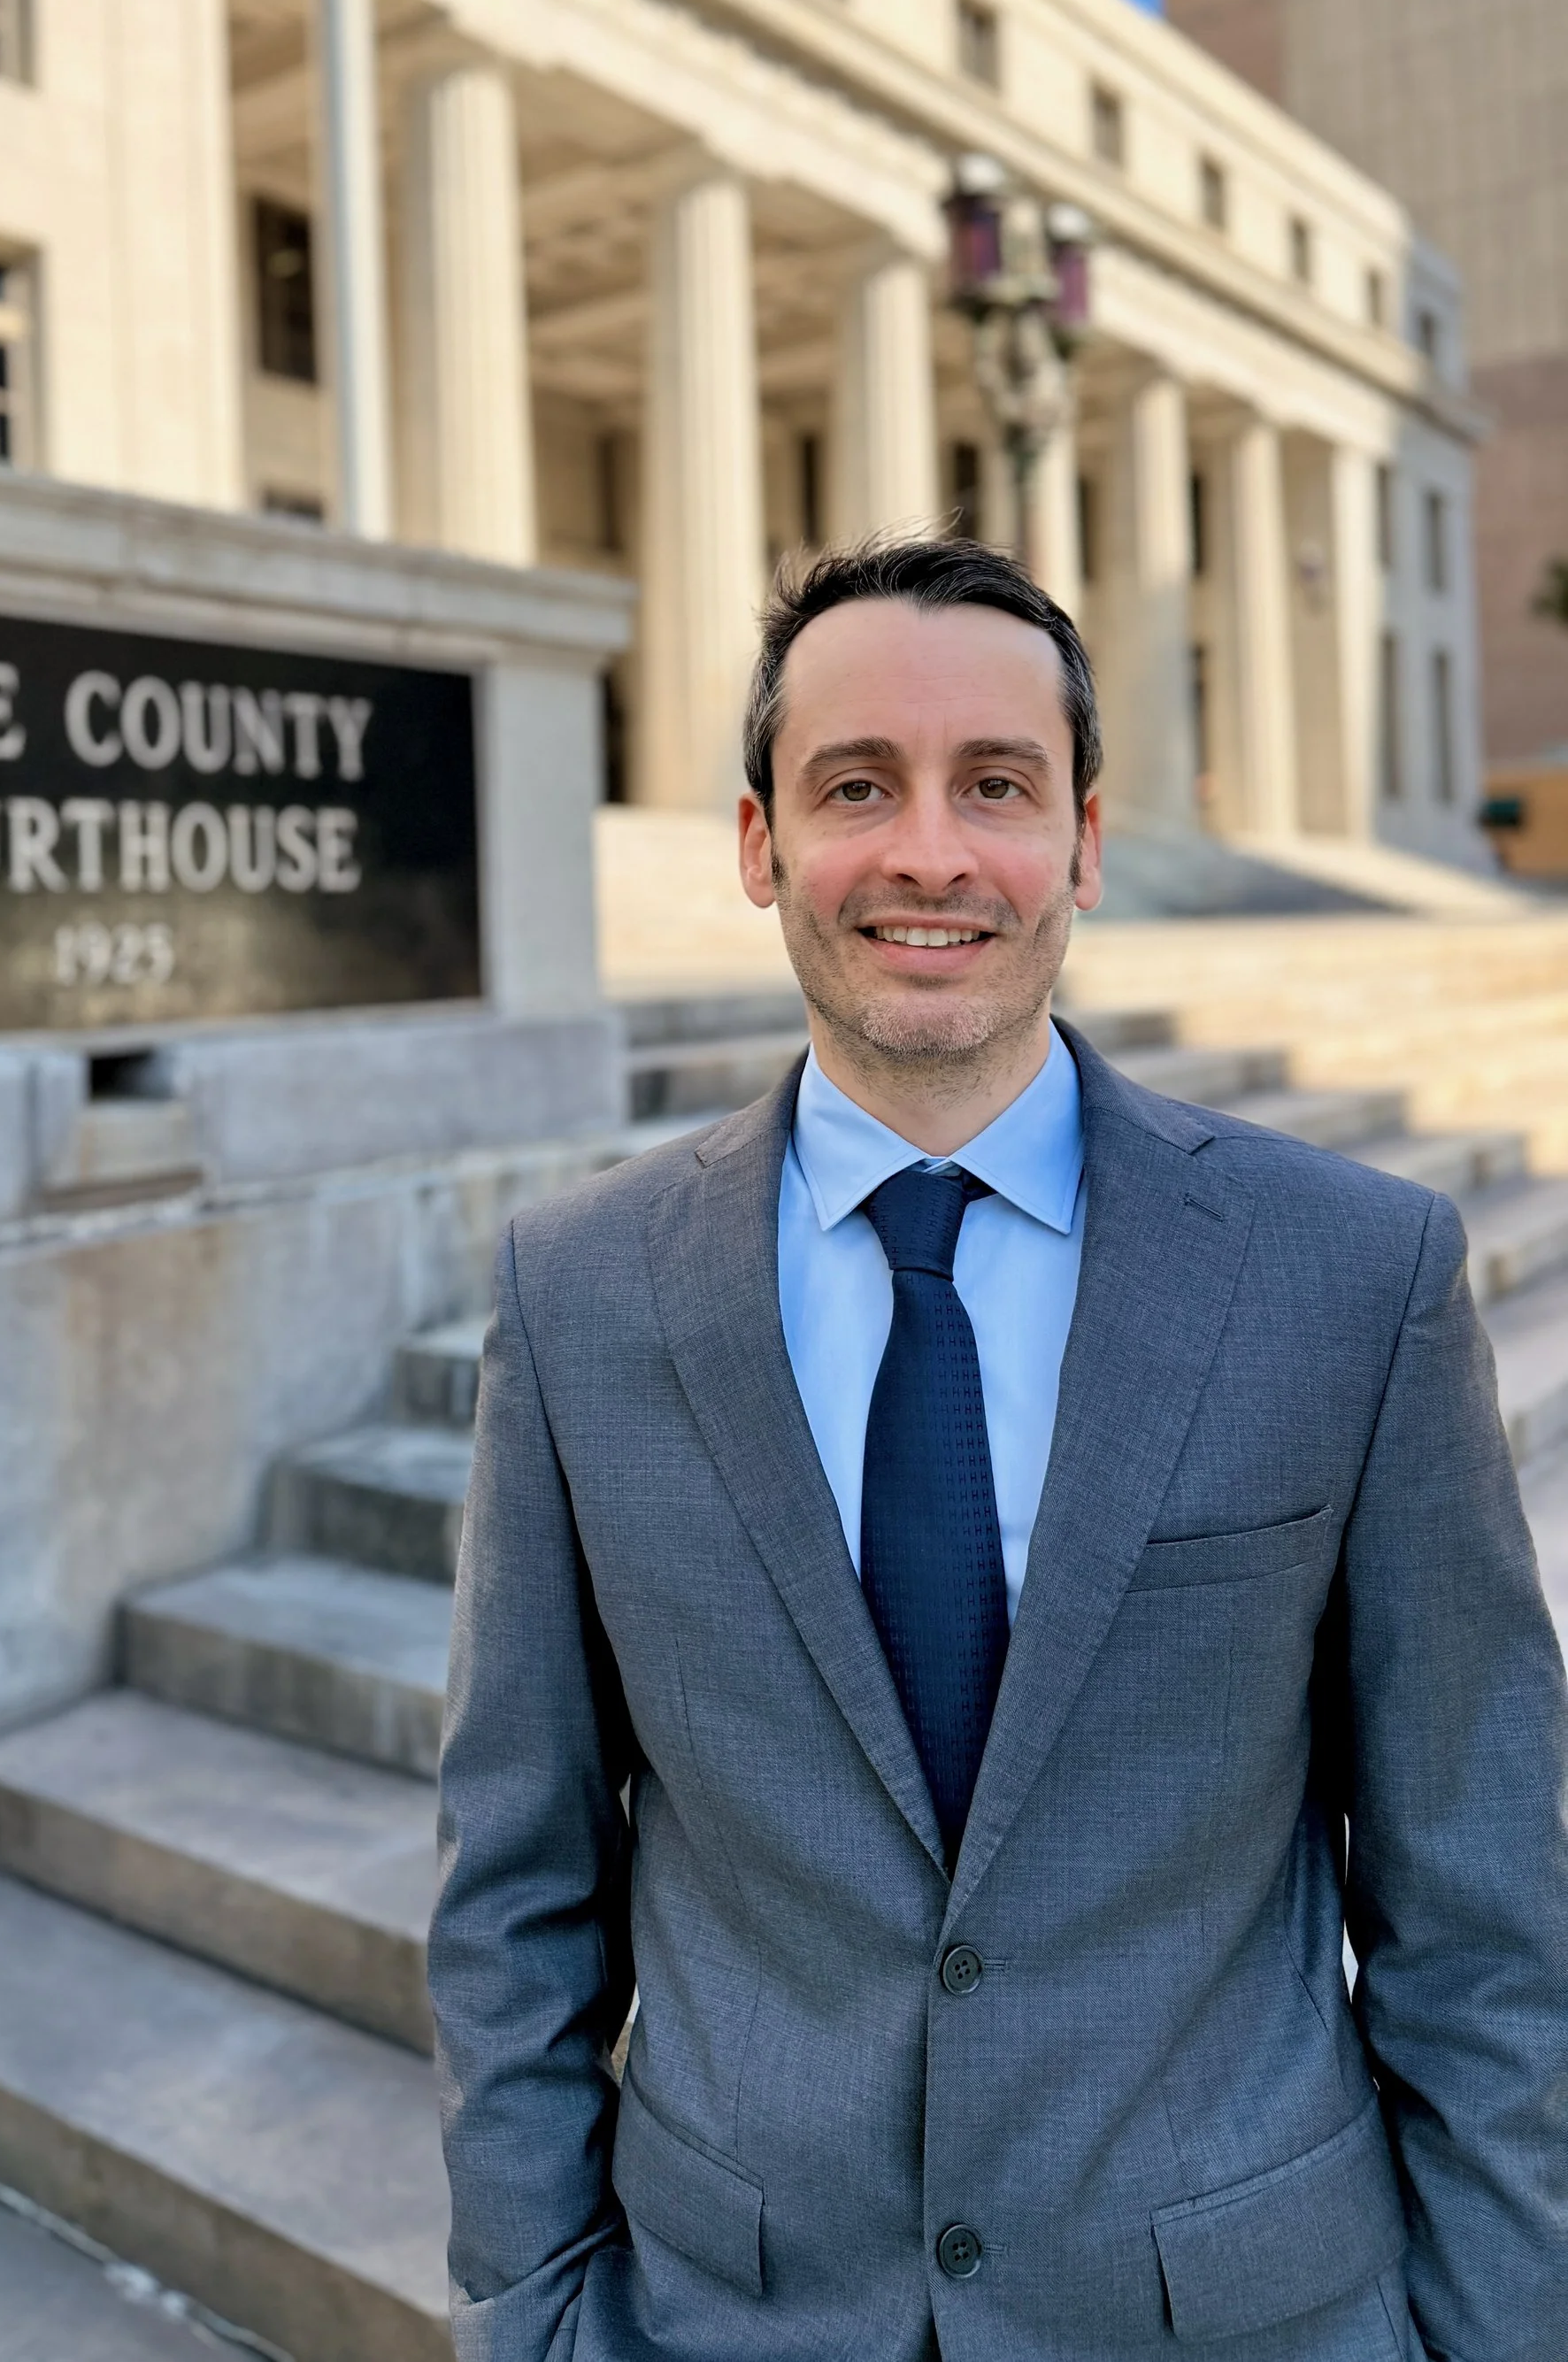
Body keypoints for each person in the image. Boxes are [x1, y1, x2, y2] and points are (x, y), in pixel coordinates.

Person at [429, 535, 1568, 2362]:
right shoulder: (574, 1294)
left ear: (1085, 844)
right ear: (755, 843)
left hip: (1245, 2314)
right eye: (854, 785)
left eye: (994, 786)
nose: (928, 853)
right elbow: (517, 1880)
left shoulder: (1354, 1275)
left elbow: (1478, 1893)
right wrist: (529, 2313)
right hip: (724, 2319)